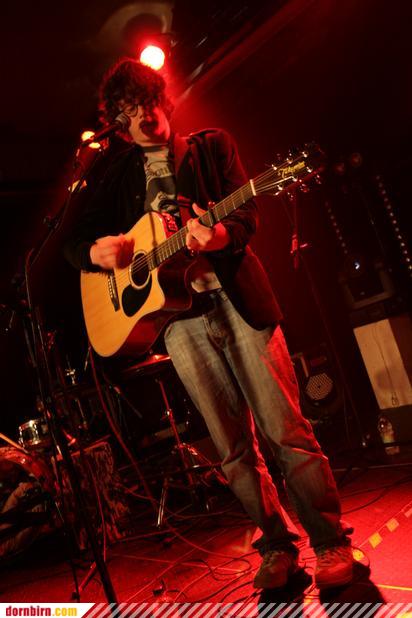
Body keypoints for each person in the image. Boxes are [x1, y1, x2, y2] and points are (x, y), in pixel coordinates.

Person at [64, 58, 354, 589]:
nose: (144, 115)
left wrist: (217, 236)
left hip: (237, 301)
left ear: (162, 100)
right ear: (119, 124)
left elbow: (246, 216)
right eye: (129, 110)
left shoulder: (210, 145)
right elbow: (72, 241)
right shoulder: (117, 176)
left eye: (148, 102)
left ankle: (330, 541)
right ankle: (276, 545)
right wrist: (94, 252)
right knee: (231, 448)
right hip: (180, 322)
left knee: (285, 430)